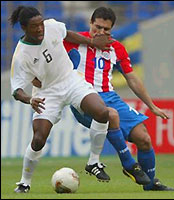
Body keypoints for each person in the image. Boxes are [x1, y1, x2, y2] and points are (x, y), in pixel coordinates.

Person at [9, 5, 119, 193]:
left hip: (70, 80)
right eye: (35, 26)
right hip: (46, 93)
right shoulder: (21, 55)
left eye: (41, 24)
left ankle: (93, 162)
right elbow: (17, 90)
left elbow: (67, 34)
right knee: (38, 139)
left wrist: (91, 42)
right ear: (24, 28)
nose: (40, 29)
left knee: (102, 112)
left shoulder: (51, 26)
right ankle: (24, 182)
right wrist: (29, 100)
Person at [62, 7, 174, 191]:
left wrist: (151, 105)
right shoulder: (73, 41)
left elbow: (131, 78)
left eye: (106, 29)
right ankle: (129, 165)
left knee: (144, 138)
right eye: (97, 27)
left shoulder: (116, 47)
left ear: (112, 30)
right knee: (110, 114)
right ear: (90, 23)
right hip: (83, 97)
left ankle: (151, 184)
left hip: (110, 97)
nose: (101, 32)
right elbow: (54, 35)